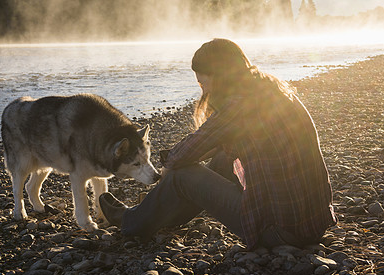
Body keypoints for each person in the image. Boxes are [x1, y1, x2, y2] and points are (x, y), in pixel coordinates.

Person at [99, 38, 337, 250]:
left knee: (183, 175)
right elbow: (216, 143)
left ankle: (130, 221)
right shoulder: (270, 88)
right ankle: (160, 214)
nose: (203, 89)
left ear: (220, 74)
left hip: (280, 232)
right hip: (313, 224)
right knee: (223, 157)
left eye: (203, 82)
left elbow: (184, 153)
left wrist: (169, 164)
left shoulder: (238, 106)